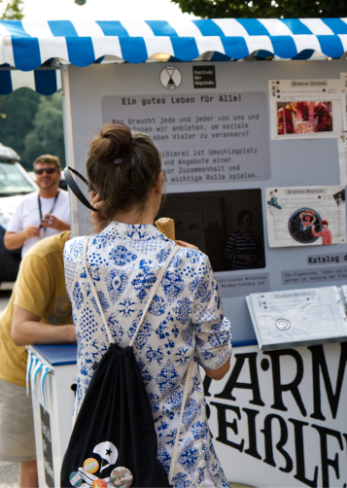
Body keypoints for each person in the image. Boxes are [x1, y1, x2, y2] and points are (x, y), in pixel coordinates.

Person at [63, 123, 233, 488]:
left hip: (105, 462)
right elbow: (218, 367)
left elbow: (110, 268)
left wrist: (101, 223)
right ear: (158, 183)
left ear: (97, 192)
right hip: (177, 460)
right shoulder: (190, 263)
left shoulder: (75, 255)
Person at [0, 231, 76, 488]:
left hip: (73, 372)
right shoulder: (43, 257)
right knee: (35, 463)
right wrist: (75, 332)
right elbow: (20, 331)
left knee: (75, 459)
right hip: (21, 368)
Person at [4, 154, 70, 257]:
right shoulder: (24, 202)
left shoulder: (72, 201)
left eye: (50, 170)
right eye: (39, 171)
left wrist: (63, 227)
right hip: (32, 268)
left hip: (64, 268)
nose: (44, 174)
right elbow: (8, 243)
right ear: (35, 175)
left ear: (59, 174)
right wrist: (25, 233)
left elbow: (87, 235)